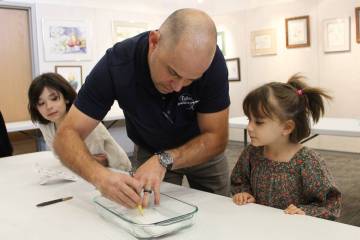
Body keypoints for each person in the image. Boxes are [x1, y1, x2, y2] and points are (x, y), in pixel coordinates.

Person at [54, 8, 230, 209]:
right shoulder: (117, 64)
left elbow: (216, 137)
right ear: (154, 41)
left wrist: (166, 159)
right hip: (149, 149)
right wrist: (100, 177)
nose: (178, 87)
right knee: (150, 215)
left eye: (191, 79)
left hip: (201, 150)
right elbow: (66, 135)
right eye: (172, 72)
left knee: (219, 213)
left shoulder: (211, 63)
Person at [230, 74, 342, 220]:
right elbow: (239, 180)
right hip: (259, 226)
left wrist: (304, 211)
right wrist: (244, 194)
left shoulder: (308, 161)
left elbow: (331, 204)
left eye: (258, 122)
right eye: (248, 119)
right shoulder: (252, 153)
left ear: (287, 127)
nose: (249, 127)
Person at [27, 72, 131, 170]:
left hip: (116, 170)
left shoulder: (85, 121)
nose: (49, 107)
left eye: (54, 98)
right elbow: (62, 157)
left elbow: (98, 162)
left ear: (66, 98)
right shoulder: (46, 126)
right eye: (41, 103)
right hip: (80, 172)